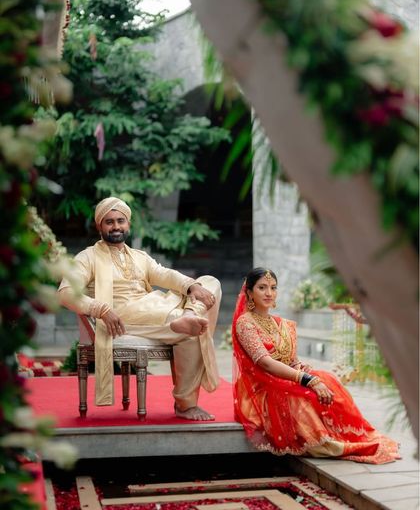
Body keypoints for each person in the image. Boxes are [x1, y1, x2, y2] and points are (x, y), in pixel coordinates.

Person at [58, 197, 221, 421]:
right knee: (191, 334)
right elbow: (65, 292)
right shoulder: (87, 257)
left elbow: (164, 274)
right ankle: (186, 405)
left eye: (120, 221)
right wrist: (101, 309)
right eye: (109, 222)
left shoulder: (139, 257)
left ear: (128, 224)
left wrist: (191, 285)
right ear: (99, 226)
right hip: (122, 315)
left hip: (153, 304)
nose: (116, 226)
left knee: (209, 282)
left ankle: (189, 314)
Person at [231, 267, 400, 463]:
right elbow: (266, 363)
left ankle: (347, 436)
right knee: (302, 396)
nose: (269, 293)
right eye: (262, 287)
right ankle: (332, 444)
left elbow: (292, 362)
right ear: (250, 292)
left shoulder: (281, 323)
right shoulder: (245, 323)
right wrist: (307, 380)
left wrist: (311, 374)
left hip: (287, 379)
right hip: (262, 388)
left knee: (328, 381)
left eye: (273, 287)